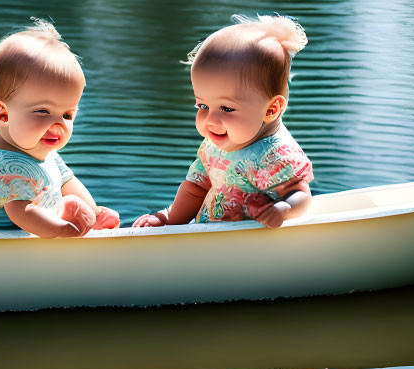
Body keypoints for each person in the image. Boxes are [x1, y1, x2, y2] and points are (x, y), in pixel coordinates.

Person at [133, 14, 313, 228]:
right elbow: (195, 188)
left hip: (250, 244)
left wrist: (285, 209)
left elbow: (300, 193)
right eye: (202, 106)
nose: (210, 119)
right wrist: (168, 219)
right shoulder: (218, 141)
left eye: (227, 108)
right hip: (212, 237)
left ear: (271, 109)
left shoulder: (275, 154)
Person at [0, 19, 119, 236]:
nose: (58, 123)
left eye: (67, 114)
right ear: (4, 114)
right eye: (43, 112)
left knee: (69, 199)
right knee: (52, 211)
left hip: (19, 237)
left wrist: (94, 213)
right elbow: (22, 213)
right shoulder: (4, 168)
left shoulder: (40, 149)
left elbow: (67, 180)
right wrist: (59, 230)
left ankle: (65, 211)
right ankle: (61, 214)